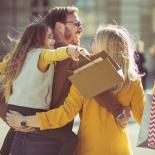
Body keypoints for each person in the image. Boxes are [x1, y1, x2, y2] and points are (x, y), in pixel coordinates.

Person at [2, 6, 130, 155]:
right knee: (72, 140)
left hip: (20, 138)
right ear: (60, 27)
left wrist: (13, 119)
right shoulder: (71, 55)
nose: (81, 28)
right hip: (48, 143)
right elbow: (96, 85)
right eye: (76, 23)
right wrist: (119, 112)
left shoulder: (25, 54)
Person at [2, 21, 86, 155]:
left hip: (12, 109)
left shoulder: (18, 56)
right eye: (49, 37)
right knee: (71, 139)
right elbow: (56, 54)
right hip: (31, 111)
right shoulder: (42, 54)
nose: (53, 41)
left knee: (15, 130)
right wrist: (71, 50)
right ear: (38, 39)